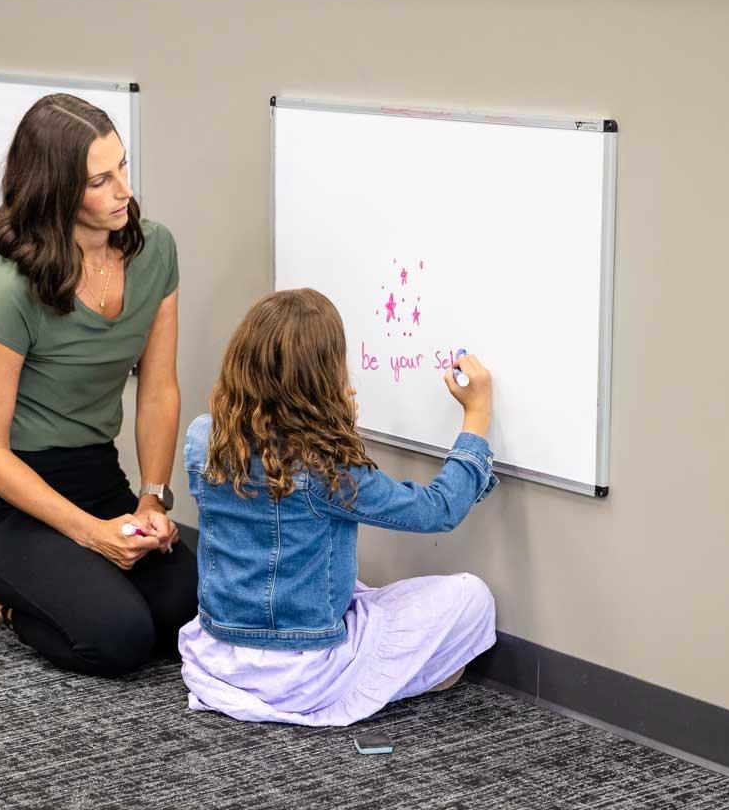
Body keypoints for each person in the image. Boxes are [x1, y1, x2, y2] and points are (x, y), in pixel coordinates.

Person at [0, 93, 197, 677]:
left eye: (124, 168)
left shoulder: (154, 251)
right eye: (100, 181)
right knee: (120, 638)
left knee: (189, 611)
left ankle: (73, 582)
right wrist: (92, 537)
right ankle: (11, 598)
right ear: (57, 190)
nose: (124, 192)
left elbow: (159, 387)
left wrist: (152, 500)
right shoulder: (11, 289)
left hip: (95, 476)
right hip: (8, 505)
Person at [178, 288, 498, 725]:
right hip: (302, 672)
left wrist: (333, 428)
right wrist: (476, 417)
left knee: (346, 583)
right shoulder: (326, 465)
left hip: (219, 653)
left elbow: (264, 512)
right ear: (323, 377)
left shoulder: (203, 437)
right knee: (471, 597)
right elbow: (437, 509)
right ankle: (385, 680)